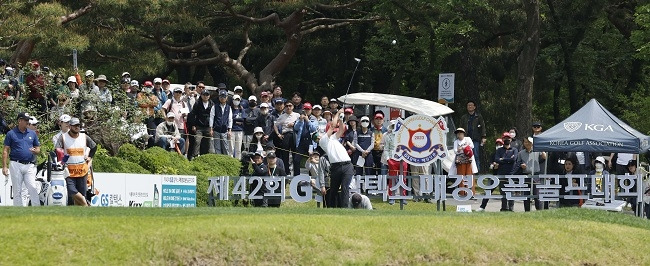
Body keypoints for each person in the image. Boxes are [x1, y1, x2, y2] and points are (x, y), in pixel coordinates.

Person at [54, 117, 97, 206]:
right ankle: (86, 205)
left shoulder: (84, 137)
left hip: (82, 170)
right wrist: (61, 160)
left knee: (82, 192)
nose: (77, 127)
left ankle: (81, 213)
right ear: (70, 126)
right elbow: (57, 150)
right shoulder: (63, 137)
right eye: (74, 126)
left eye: (78, 125)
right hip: (69, 170)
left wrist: (90, 157)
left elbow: (94, 146)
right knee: (72, 191)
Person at [3, 112, 41, 206]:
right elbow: (5, 150)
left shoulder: (32, 133)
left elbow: (38, 148)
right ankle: (18, 210)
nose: (28, 122)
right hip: (16, 164)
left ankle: (37, 209)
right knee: (17, 190)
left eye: (28, 120)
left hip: (30, 165)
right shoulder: (11, 133)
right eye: (26, 120)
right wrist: (4, 166)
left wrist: (35, 151)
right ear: (19, 121)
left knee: (32, 187)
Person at [319, 108, 354, 208]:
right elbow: (333, 125)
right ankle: (331, 208)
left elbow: (342, 130)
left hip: (347, 165)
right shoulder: (323, 141)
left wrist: (341, 120)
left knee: (345, 188)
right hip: (335, 167)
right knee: (333, 189)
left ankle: (344, 208)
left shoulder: (334, 138)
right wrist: (338, 113)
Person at [478, 132, 517, 212]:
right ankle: (501, 208)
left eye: (508, 138)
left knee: (510, 192)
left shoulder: (514, 149)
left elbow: (513, 160)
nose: (507, 140)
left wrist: (503, 159)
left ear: (511, 139)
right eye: (505, 138)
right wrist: (506, 160)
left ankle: (510, 209)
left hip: (510, 173)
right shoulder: (498, 150)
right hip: (499, 174)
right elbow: (495, 160)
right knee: (499, 191)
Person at [510, 137, 546, 211]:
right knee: (526, 195)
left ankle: (539, 211)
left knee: (537, 195)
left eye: (529, 142)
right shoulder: (521, 153)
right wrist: (521, 165)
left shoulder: (537, 151)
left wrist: (541, 149)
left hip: (536, 175)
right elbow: (518, 163)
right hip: (525, 175)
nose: (527, 144)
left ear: (532, 143)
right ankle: (527, 211)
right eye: (525, 142)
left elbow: (544, 157)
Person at [381, 120, 408, 205]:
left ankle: (403, 197)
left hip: (403, 159)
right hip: (392, 159)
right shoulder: (388, 136)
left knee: (403, 178)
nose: (395, 127)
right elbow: (386, 149)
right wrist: (388, 159)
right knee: (392, 178)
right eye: (393, 126)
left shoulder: (404, 136)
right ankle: (392, 197)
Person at [458, 100, 486, 171]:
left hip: (475, 139)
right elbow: (460, 128)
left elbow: (483, 127)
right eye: (468, 105)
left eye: (471, 105)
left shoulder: (478, 116)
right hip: (466, 139)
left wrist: (483, 137)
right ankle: (467, 170)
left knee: (475, 155)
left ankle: (477, 171)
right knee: (465, 155)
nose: (470, 106)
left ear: (474, 107)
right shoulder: (464, 117)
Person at [448, 128, 478, 195]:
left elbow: (471, 146)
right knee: (461, 176)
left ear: (463, 133)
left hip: (468, 158)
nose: (459, 134)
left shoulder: (468, 139)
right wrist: (461, 149)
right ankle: (462, 192)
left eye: (460, 133)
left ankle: (470, 192)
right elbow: (455, 150)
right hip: (460, 159)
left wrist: (463, 147)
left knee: (469, 175)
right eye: (458, 133)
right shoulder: (456, 142)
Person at [275, 101, 300, 175]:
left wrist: (294, 124)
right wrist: (278, 134)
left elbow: (301, 123)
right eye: (287, 106)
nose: (288, 107)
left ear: (293, 107)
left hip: (294, 135)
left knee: (295, 155)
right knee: (285, 155)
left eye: (290, 106)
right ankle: (286, 172)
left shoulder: (297, 115)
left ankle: (296, 174)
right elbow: (275, 125)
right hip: (285, 135)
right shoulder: (282, 116)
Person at [189, 90, 214, 157]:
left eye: (207, 95)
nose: (205, 96)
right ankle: (195, 156)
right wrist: (193, 125)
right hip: (199, 127)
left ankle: (205, 157)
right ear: (201, 95)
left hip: (208, 127)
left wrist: (212, 128)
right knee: (197, 141)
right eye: (204, 95)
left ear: (209, 96)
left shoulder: (212, 104)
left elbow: (214, 116)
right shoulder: (197, 103)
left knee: (207, 143)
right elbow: (193, 114)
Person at [211, 90, 233, 156]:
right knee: (217, 148)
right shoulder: (215, 106)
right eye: (221, 96)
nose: (222, 98)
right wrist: (211, 129)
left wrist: (230, 130)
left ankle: (226, 160)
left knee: (225, 147)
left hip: (224, 130)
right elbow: (211, 118)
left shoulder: (229, 107)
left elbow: (230, 119)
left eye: (224, 96)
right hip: (216, 129)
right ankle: (218, 161)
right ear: (219, 97)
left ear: (227, 98)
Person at [231, 94, 246, 159]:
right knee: (231, 147)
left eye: (238, 100)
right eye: (235, 99)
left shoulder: (241, 109)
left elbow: (243, 119)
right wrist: (236, 121)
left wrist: (234, 120)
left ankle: (238, 160)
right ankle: (230, 160)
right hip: (232, 130)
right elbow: (230, 119)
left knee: (238, 148)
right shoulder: (230, 109)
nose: (236, 101)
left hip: (240, 130)